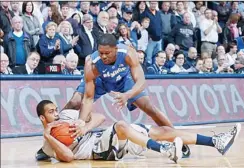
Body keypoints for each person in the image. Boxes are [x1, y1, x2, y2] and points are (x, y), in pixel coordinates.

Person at [63, 33, 191, 157]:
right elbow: (88, 98)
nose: (103, 56)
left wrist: (127, 95)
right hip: (100, 80)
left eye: (107, 53)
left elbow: (141, 81)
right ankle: (54, 133)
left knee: (149, 107)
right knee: (75, 102)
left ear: (116, 49)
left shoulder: (128, 53)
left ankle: (179, 139)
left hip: (123, 80)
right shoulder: (92, 63)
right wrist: (80, 121)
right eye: (101, 53)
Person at [36, 100, 241, 163]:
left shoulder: (66, 117)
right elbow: (69, 157)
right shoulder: (48, 141)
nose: (56, 113)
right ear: (43, 118)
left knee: (162, 130)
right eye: (51, 112)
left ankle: (215, 141)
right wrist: (47, 135)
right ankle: (165, 150)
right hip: (99, 151)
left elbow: (99, 117)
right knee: (121, 125)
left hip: (102, 137)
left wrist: (83, 125)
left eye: (56, 109)